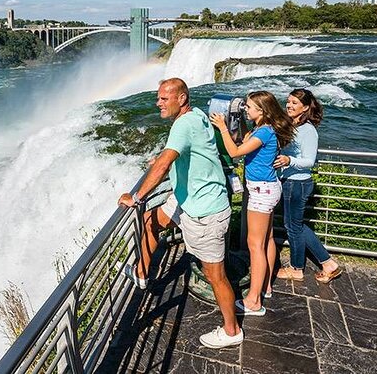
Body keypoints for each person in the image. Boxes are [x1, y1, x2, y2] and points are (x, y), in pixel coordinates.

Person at [118, 78, 243, 349]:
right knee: (151, 220)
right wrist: (163, 157)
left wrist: (137, 196)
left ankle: (232, 330)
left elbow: (165, 163)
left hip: (205, 210)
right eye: (158, 97)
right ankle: (141, 273)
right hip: (185, 198)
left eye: (164, 98)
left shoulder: (183, 124)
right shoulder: (196, 115)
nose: (158, 103)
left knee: (215, 276)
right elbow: (187, 151)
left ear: (182, 98)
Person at [210, 91, 294, 316]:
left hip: (261, 191)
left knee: (254, 245)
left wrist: (222, 127)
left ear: (262, 111)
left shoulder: (265, 132)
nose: (246, 109)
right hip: (268, 188)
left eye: (249, 107)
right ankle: (265, 286)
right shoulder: (263, 129)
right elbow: (246, 139)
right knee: (266, 240)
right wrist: (239, 119)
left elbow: (235, 151)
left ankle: (254, 301)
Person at [273, 89, 341, 283]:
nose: (289, 105)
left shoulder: (308, 130)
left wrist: (289, 160)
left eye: (295, 103)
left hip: (298, 183)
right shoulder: (291, 125)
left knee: (293, 227)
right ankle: (328, 264)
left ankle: (297, 268)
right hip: (290, 181)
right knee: (295, 225)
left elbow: (310, 161)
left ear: (305, 107)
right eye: (288, 101)